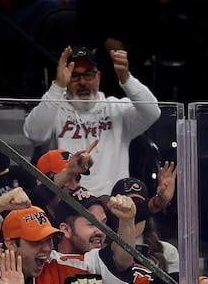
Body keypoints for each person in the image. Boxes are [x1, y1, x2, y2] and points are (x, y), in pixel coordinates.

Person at [22, 46, 162, 197]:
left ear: (98, 77)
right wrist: (57, 87)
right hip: (67, 201)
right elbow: (34, 134)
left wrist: (126, 79)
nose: (82, 82)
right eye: (74, 76)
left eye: (88, 75)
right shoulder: (54, 108)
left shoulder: (116, 108)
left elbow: (153, 112)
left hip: (113, 202)